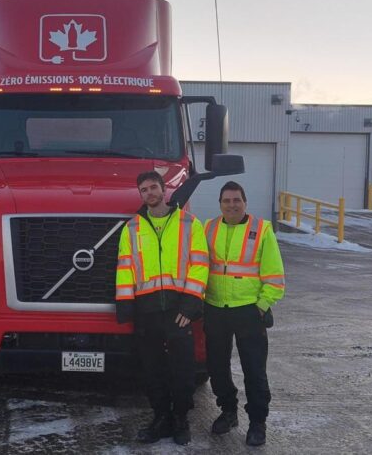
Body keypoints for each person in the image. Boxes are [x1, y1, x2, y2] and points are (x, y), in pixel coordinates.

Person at [115, 170, 209, 446]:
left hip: (179, 310)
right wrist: (126, 307)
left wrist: (191, 305)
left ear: (164, 189)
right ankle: (160, 419)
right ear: (140, 195)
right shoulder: (131, 228)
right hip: (147, 311)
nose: (149, 193)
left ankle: (180, 420)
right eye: (143, 190)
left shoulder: (190, 224)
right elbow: (125, 269)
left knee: (182, 369)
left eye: (153, 187)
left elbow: (200, 265)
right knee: (152, 369)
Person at [203, 181, 285, 446]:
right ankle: (228, 411)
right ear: (220, 204)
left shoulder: (261, 230)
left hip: (249, 311)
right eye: (226, 200)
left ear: (245, 202)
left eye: (236, 200)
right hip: (215, 308)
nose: (231, 205)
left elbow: (274, 276)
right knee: (217, 368)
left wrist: (261, 306)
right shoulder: (209, 228)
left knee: (254, 371)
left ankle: (257, 423)